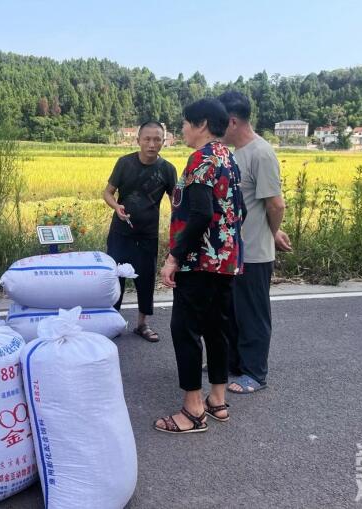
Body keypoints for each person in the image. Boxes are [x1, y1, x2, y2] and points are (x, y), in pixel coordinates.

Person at [154, 98, 245, 434]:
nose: (182, 129)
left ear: (202, 123)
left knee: (186, 330)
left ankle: (193, 410)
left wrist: (174, 256)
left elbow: (201, 213)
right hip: (225, 261)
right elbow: (240, 211)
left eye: (185, 122)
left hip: (199, 261)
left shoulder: (202, 158)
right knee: (216, 329)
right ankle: (217, 400)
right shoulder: (228, 158)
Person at [218, 91, 293, 394]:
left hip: (254, 251)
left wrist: (271, 233)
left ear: (232, 121)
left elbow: (276, 204)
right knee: (231, 312)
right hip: (233, 251)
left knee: (252, 315)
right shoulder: (236, 152)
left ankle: (254, 373)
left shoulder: (261, 153)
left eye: (219, 123)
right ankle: (233, 362)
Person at [103, 121, 177, 342]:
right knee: (115, 278)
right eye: (147, 139)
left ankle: (142, 324)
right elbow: (107, 192)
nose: (152, 144)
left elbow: (175, 202)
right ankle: (113, 322)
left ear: (163, 142)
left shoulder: (167, 169)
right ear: (138, 141)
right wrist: (116, 206)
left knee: (146, 279)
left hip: (148, 234)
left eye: (157, 139)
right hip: (120, 232)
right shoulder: (124, 163)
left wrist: (178, 228)